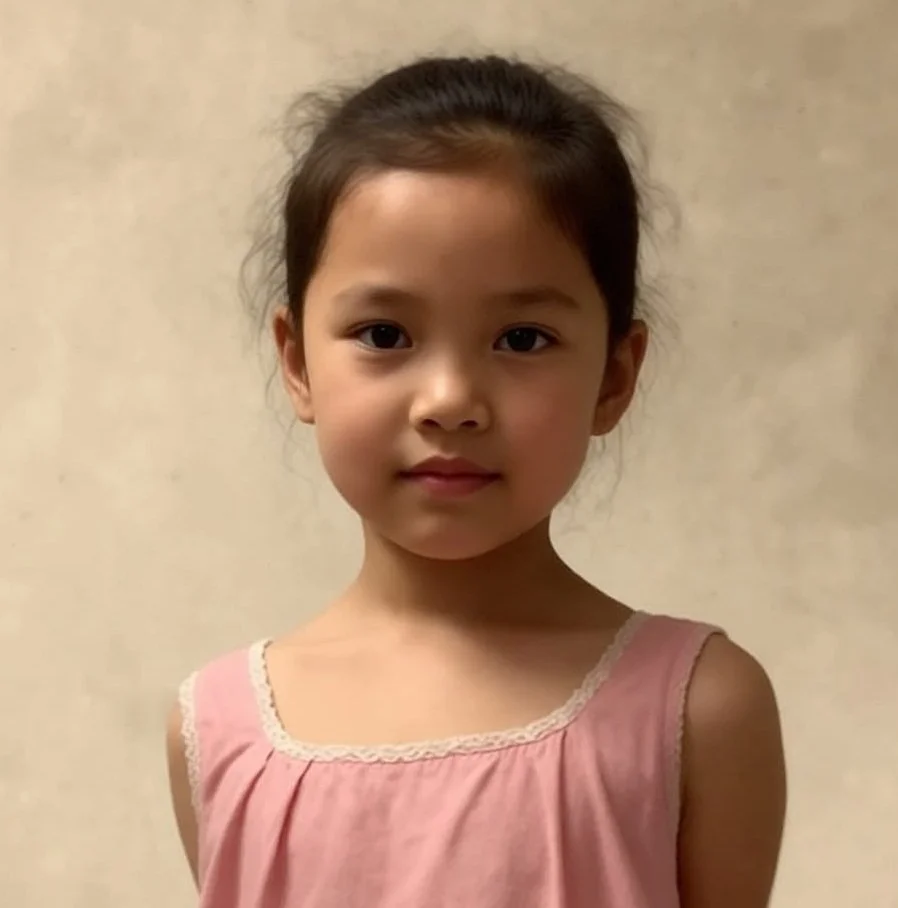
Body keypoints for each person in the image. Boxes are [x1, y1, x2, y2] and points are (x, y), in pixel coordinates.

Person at [166, 54, 787, 907]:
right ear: (297, 361)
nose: (451, 400)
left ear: (613, 375)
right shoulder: (218, 728)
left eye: (522, 339)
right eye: (384, 334)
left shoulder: (699, 711)